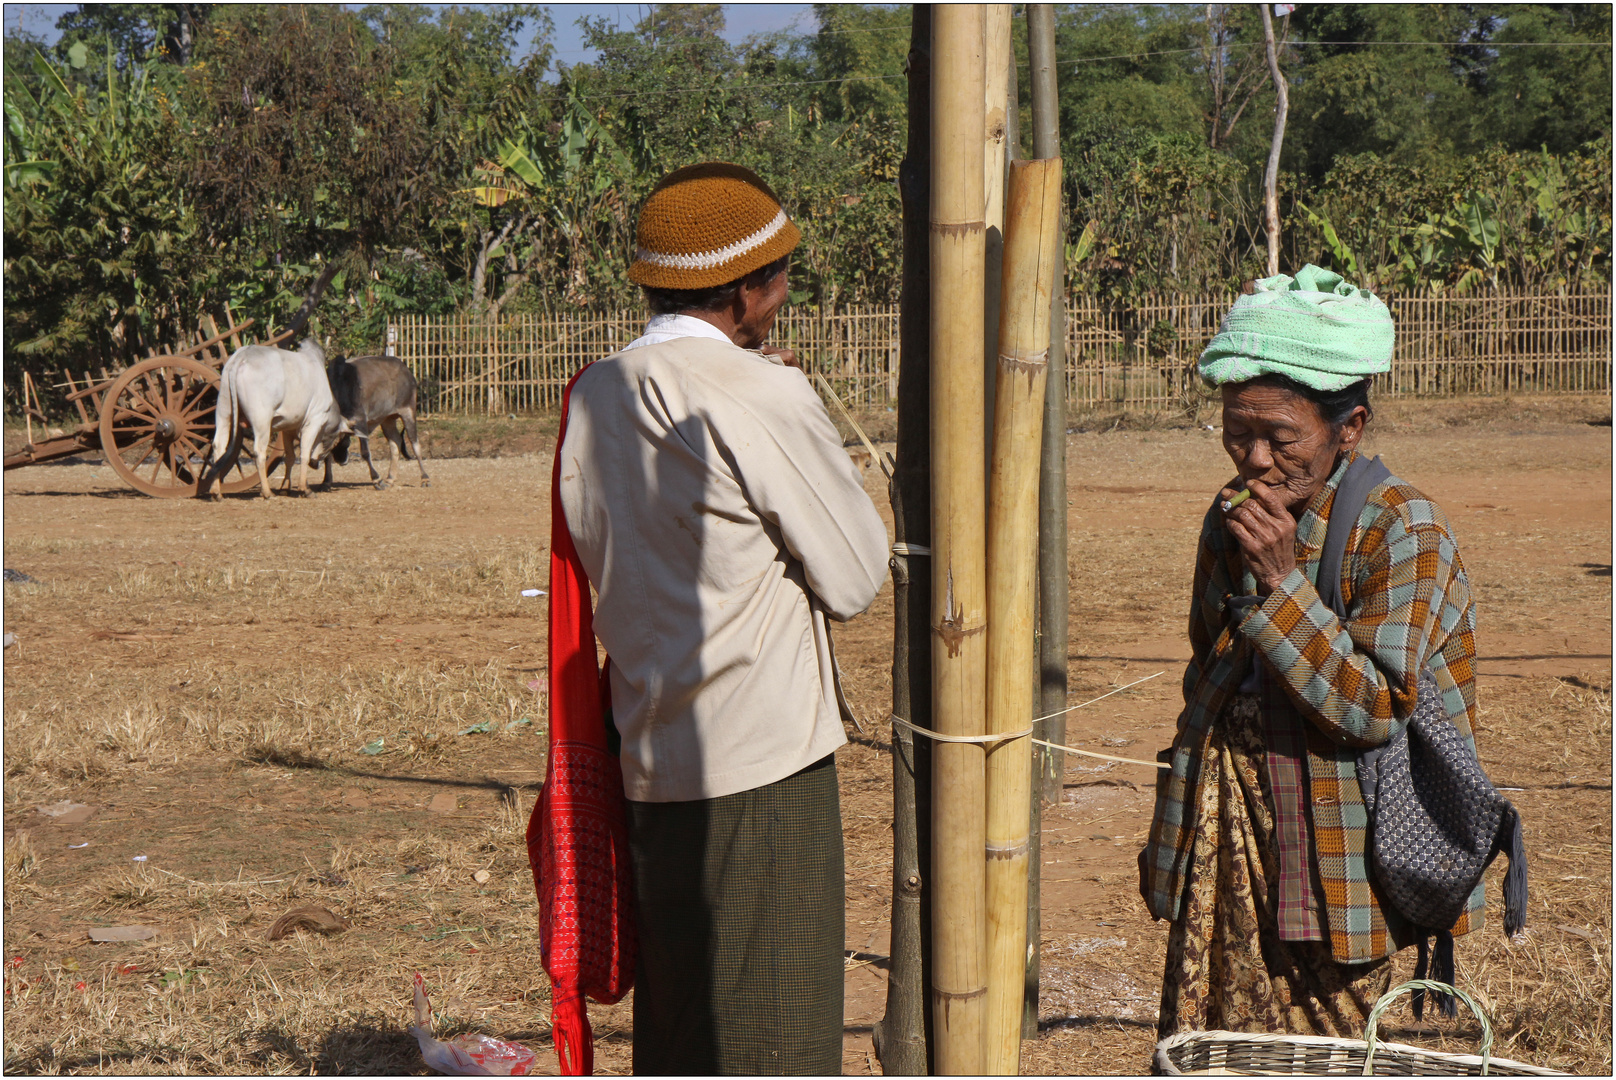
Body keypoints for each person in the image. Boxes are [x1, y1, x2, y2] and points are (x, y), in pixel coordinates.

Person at [555, 162, 889, 1074]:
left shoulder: (597, 391)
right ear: (745, 291)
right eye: (779, 279)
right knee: (771, 1034)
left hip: (649, 753)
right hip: (761, 763)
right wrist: (795, 413)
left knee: (681, 1025)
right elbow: (857, 577)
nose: (783, 298)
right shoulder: (761, 394)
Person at [1140, 266, 1485, 1036]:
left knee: (1333, 1051)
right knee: (1224, 1044)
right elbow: (1210, 670)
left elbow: (1374, 708)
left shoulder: (1404, 531)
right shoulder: (1232, 517)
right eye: (1237, 432)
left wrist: (1282, 581)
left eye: (1280, 437)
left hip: (1345, 857)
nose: (1254, 459)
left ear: (1350, 427)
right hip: (1236, 843)